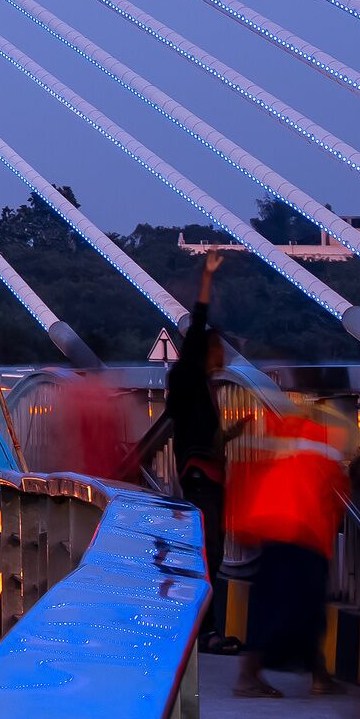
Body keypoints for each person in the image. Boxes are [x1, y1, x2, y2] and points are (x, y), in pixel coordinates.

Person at [225, 389, 345, 696]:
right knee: (305, 604)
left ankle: (310, 673)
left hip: (271, 522)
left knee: (274, 600)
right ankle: (306, 675)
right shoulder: (326, 441)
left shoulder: (282, 431)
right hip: (303, 526)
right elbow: (335, 490)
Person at [162, 253, 230, 648]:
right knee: (210, 554)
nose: (224, 356)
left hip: (203, 477)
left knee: (212, 554)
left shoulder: (200, 387)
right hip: (201, 479)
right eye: (219, 349)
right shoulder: (190, 376)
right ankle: (205, 631)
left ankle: (208, 629)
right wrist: (206, 277)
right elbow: (198, 322)